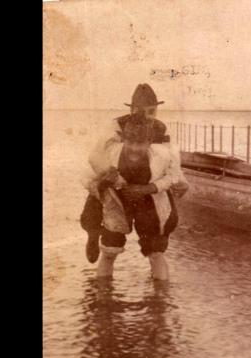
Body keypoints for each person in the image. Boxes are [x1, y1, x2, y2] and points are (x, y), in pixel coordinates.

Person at [79, 84, 189, 280]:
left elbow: (172, 163)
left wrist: (174, 182)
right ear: (131, 109)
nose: (147, 116)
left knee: (157, 244)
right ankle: (93, 236)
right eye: (140, 110)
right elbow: (95, 156)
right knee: (96, 217)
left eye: (151, 111)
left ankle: (160, 304)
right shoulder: (117, 125)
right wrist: (113, 175)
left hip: (145, 185)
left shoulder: (160, 129)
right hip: (112, 182)